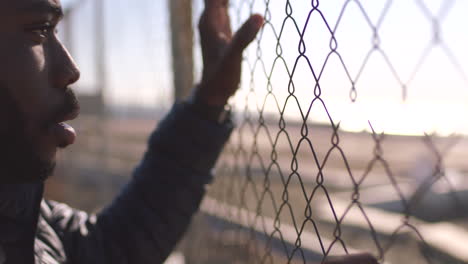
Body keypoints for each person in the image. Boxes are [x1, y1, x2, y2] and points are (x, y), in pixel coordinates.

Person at [0, 0, 378, 263]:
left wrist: (207, 104)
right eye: (39, 29)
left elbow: (110, 248)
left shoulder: (22, 217)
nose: (70, 68)